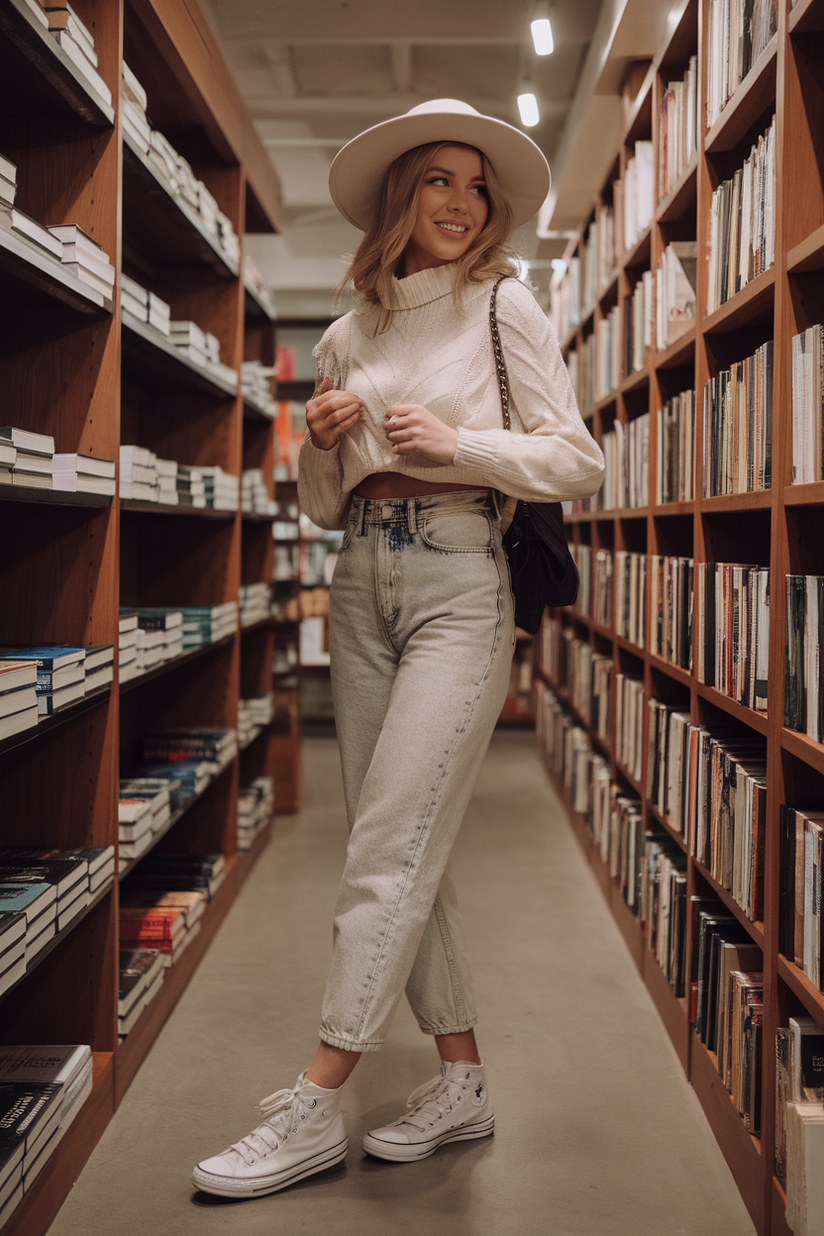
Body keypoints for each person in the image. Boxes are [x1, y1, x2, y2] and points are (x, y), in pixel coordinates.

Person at [192, 98, 604, 1200]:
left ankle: (317, 1098)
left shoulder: (502, 303)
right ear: (398, 199)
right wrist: (326, 447)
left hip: (458, 578)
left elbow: (578, 461)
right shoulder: (345, 331)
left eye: (476, 186)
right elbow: (329, 504)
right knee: (402, 840)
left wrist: (461, 441)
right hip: (358, 578)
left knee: (385, 846)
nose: (460, 203)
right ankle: (460, 1080)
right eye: (436, 181)